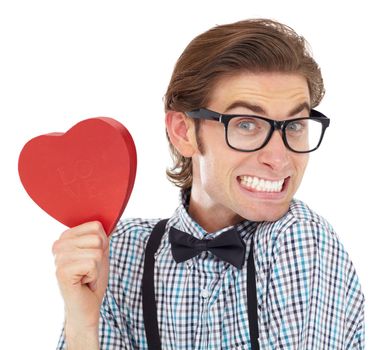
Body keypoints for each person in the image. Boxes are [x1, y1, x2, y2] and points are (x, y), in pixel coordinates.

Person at [54, 18, 365, 349]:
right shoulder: (123, 251)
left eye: (295, 125)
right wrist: (82, 323)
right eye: (247, 124)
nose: (280, 158)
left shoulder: (299, 238)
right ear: (183, 132)